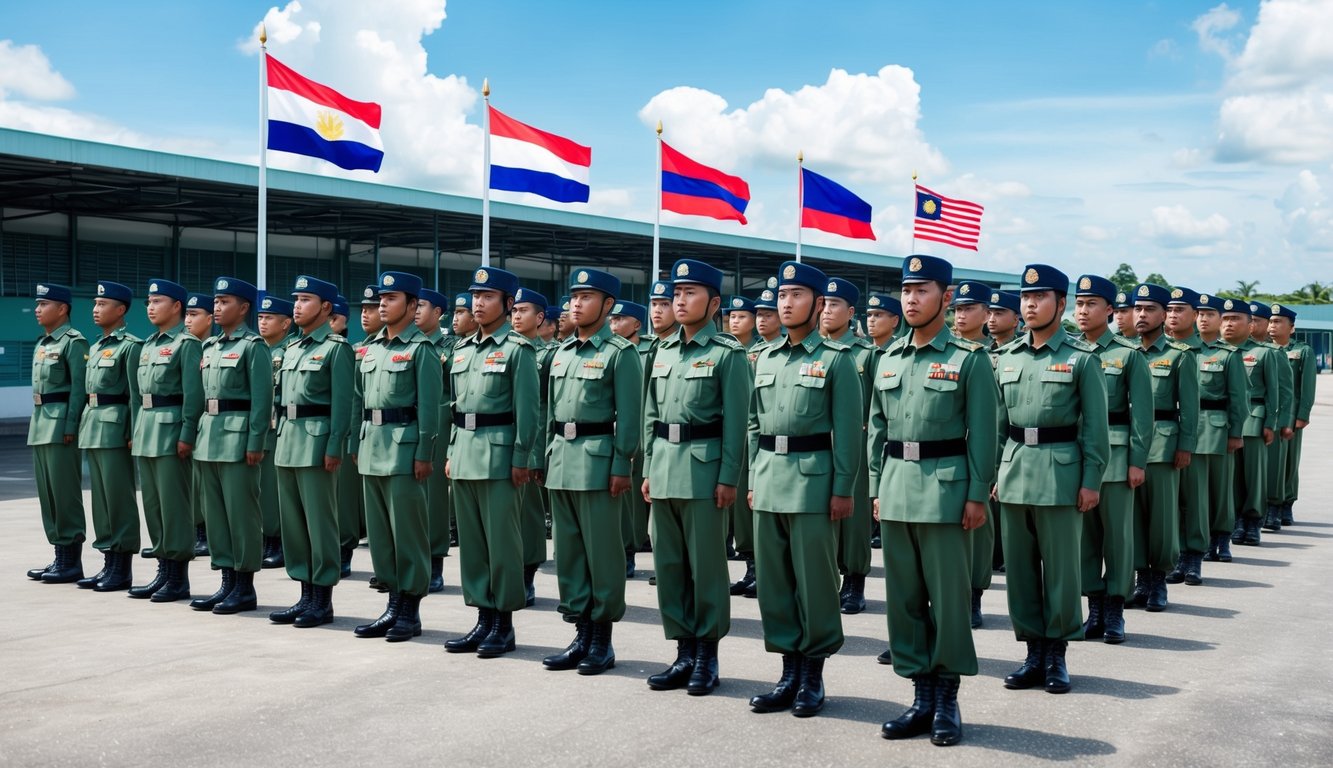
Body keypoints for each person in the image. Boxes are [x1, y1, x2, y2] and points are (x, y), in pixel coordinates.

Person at [870, 254, 996, 747]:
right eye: (906, 290)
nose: (911, 299)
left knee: (947, 601)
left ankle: (947, 699)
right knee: (903, 602)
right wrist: (877, 488)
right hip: (898, 488)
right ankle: (919, 696)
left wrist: (976, 493)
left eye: (922, 290)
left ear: (945, 298)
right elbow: (877, 430)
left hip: (946, 490)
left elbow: (983, 434)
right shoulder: (889, 357)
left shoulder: (970, 360)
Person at [746, 261, 861, 718]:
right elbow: (755, 424)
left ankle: (812, 675)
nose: (786, 303)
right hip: (770, 480)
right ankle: (787, 671)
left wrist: (843, 488)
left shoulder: (836, 360)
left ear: (817, 305)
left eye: (797, 296)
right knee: (774, 585)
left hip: (814, 482)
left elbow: (849, 432)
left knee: (814, 584)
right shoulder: (767, 357)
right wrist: (755, 476)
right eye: (782, 296)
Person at [994, 264, 1108, 695]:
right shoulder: (1006, 357)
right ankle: (1032, 653)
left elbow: (1095, 428)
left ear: (1061, 304)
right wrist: (993, 475)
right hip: (1015, 470)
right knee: (1020, 572)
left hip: (1061, 474)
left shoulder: (1081, 358)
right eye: (1026, 297)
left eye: (1040, 297)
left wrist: (1091, 480)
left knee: (1061, 571)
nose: (1030, 304)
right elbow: (998, 425)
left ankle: (1057, 653)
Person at [641, 259, 751, 696]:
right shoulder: (661, 350)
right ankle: (683, 651)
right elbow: (652, 415)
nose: (680, 301)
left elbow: (737, 422)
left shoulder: (727, 354)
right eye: (677, 293)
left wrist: (728, 477)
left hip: (705, 473)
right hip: (665, 470)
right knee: (669, 567)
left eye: (690, 293)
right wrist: (649, 468)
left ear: (714, 302)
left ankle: (707, 655)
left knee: (706, 569)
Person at [540, 268, 643, 676]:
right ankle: (579, 633)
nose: (576, 304)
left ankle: (602, 640)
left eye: (586, 297)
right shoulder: (561, 352)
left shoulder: (621, 353)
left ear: (608, 305)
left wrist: (622, 463)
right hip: (562, 460)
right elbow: (550, 412)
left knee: (602, 555)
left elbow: (630, 417)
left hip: (600, 463)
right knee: (569, 555)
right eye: (573, 297)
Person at [443, 267, 540, 658]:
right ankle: (482, 618)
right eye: (474, 296)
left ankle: (504, 624)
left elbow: (528, 411)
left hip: (500, 456)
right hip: (465, 453)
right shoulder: (462, 349)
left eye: (487, 297)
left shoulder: (518, 349)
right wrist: (452, 450)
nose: (477, 304)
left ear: (508, 303)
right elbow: (456, 407)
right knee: (473, 546)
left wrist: (521, 456)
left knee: (502, 544)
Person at [353, 271, 442, 642]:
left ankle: (410, 611)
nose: (382, 305)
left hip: (404, 450)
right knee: (381, 535)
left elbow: (430, 407)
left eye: (391, 299)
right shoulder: (372, 348)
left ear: (412, 305)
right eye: (380, 300)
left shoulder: (422, 350)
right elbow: (361, 399)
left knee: (407, 534)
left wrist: (424, 452)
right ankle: (391, 604)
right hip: (372, 445)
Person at [268, 276, 353, 628]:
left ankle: (322, 599)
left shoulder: (336, 349)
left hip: (318, 444)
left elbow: (343, 403)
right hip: (288, 441)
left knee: (320, 524)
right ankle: (304, 595)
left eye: (306, 299)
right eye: (297, 298)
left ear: (326, 307)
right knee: (294, 526)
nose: (298, 305)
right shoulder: (290, 349)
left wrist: (335, 446)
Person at [1072, 275, 1151, 644]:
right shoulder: (1068, 351)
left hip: (1118, 458)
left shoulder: (1127, 354)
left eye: (1091, 304)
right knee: (1086, 538)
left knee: (1117, 537)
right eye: (1078, 303)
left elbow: (1142, 414)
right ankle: (1095, 607)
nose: (1083, 311)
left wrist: (1138, 461)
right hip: (1078, 456)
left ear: (1109, 310)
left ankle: (1117, 608)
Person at [188, 277, 272, 615]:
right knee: (216, 517)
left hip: (238, 440)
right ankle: (226, 582)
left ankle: (245, 587)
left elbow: (262, 400)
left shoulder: (254, 346)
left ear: (244, 307)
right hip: (208, 438)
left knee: (241, 515)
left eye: (225, 302)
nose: (217, 308)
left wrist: (256, 441)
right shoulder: (209, 347)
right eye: (216, 302)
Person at [128, 279, 204, 603]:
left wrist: (187, 434)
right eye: (148, 301)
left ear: (177, 307)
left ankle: (178, 577)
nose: (150, 306)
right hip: (147, 431)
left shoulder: (187, 345)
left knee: (175, 507)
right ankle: (163, 569)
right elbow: (137, 396)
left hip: (172, 433)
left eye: (157, 301)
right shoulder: (146, 346)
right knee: (154, 507)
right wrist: (134, 431)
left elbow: (194, 395)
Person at [1123, 284, 1197, 613]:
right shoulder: (1125, 353)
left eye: (1149, 309)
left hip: (1163, 442)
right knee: (1133, 516)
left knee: (1162, 517)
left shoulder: (1179, 356)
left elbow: (1190, 407)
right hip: (1127, 443)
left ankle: (1159, 581)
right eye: (1137, 309)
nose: (1141, 315)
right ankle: (1141, 578)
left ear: (1164, 315)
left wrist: (1185, 445)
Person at [76, 281, 142, 592]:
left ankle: (122, 567)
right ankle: (108, 561)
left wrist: (132, 431)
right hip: (94, 426)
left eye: (103, 304)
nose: (95, 309)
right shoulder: (95, 347)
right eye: (95, 303)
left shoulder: (130, 346)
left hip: (116, 429)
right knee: (101, 502)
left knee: (119, 499)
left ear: (121, 309)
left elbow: (135, 395)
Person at [818, 278, 874, 616]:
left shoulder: (867, 354)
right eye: (824, 304)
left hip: (855, 444)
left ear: (851, 312)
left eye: (835, 305)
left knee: (853, 520)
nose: (827, 311)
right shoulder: (813, 351)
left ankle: (855, 582)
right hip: (817, 447)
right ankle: (826, 579)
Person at [27, 282, 89, 584]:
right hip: (40, 423)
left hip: (61, 423)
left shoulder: (73, 342)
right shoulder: (42, 343)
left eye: (44, 304)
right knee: (48, 495)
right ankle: (59, 556)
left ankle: (71, 561)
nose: (37, 310)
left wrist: (71, 425)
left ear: (62, 308)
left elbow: (80, 388)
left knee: (64, 494)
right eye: (37, 305)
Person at [949, 280, 997, 628]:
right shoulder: (946, 351)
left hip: (981, 451)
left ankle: (974, 596)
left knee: (977, 530)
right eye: (958, 308)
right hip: (944, 453)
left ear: (986, 314)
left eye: (970, 308)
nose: (962, 315)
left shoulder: (995, 356)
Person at [1192, 294, 1248, 565]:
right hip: (1190, 429)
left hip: (1217, 430)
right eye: (1200, 314)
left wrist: (1236, 432)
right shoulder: (1186, 351)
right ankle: (1199, 540)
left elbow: (1239, 398)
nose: (1203, 319)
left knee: (1220, 489)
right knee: (1195, 493)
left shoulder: (1228, 355)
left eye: (1210, 315)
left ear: (1220, 320)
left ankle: (1222, 537)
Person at [1220, 300, 1278, 547]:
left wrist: (1271, 422)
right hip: (1222, 421)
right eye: (1226, 318)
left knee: (1252, 475)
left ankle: (1252, 520)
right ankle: (1233, 520)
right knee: (1229, 477)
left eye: (1235, 318)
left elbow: (1275, 391)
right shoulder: (1216, 352)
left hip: (1254, 419)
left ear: (1250, 323)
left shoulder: (1265, 353)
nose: (1229, 324)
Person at [1164, 287, 1211, 586]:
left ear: (1194, 315)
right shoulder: (1154, 349)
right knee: (1166, 503)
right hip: (1161, 435)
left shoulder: (1207, 350)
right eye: (1169, 310)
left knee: (1192, 498)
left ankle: (1193, 556)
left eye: (1179, 310)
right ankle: (1172, 555)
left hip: (1195, 433)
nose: (1172, 315)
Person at [509, 287, 552, 605]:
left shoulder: (547, 354)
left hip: (531, 444)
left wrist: (537, 453)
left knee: (528, 514)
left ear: (540, 318)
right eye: (515, 310)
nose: (517, 316)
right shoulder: (506, 350)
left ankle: (527, 574)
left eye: (524, 310)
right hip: (501, 442)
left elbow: (546, 410)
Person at [610, 299, 653, 577]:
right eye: (611, 320)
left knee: (639, 500)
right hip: (613, 432)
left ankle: (633, 548)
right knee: (621, 501)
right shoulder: (610, 351)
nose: (614, 324)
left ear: (636, 324)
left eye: (620, 320)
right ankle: (623, 551)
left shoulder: (650, 351)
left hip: (641, 432)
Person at [416, 288, 454, 593]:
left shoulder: (450, 347)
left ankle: (435, 561)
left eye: (422, 305)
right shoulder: (406, 344)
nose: (416, 310)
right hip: (407, 423)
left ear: (438, 312)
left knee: (435, 497)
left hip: (439, 424)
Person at [1268, 304, 1315, 526]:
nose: (1272, 326)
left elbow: (1307, 387)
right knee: (1270, 462)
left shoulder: (1302, 351)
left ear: (1292, 327)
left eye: (1278, 322)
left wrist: (1302, 416)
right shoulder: (1264, 349)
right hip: (1269, 415)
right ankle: (1268, 503)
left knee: (1289, 461)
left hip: (1291, 416)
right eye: (1271, 321)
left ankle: (1285, 503)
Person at [1249, 303, 1294, 533]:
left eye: (1257, 320)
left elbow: (1286, 391)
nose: (1252, 323)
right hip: (1247, 419)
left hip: (1270, 417)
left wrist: (1283, 422)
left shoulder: (1275, 352)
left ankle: (1274, 506)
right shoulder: (1238, 350)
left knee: (1274, 466)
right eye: (1251, 319)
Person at [257, 293, 294, 570]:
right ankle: (264, 539)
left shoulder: (289, 351)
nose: (263, 322)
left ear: (285, 324)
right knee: (260, 491)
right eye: (260, 317)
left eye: (269, 318)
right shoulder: (258, 350)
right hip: (260, 430)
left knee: (274, 492)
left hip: (280, 428)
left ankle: (278, 542)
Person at [330, 294, 362, 577]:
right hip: (319, 432)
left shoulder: (344, 352)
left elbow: (352, 400)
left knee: (346, 500)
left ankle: (344, 549)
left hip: (349, 432)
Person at [184, 293, 214, 557]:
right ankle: (195, 532)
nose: (188, 321)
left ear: (210, 319)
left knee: (205, 485)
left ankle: (205, 533)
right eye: (187, 315)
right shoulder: (188, 346)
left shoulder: (211, 348)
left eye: (194, 315)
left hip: (212, 424)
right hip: (194, 422)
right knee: (192, 484)